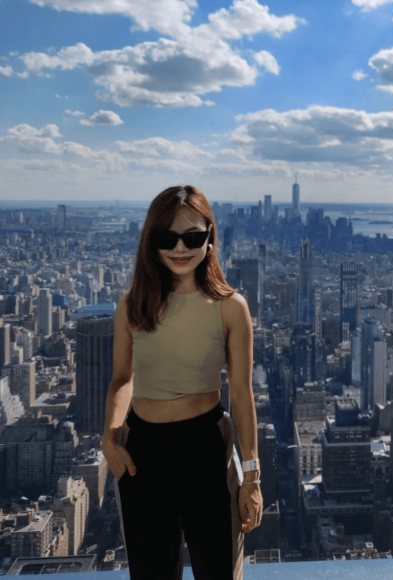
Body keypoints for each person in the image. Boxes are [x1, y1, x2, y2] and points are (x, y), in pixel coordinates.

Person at [101, 185, 262, 580]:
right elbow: (122, 379)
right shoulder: (132, 305)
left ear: (210, 239)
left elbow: (241, 392)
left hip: (206, 446)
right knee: (150, 572)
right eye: (166, 237)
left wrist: (252, 478)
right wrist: (110, 439)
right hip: (143, 453)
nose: (180, 247)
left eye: (193, 237)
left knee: (219, 570)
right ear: (150, 240)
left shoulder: (230, 307)